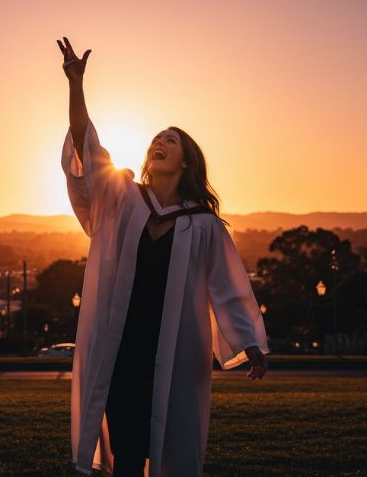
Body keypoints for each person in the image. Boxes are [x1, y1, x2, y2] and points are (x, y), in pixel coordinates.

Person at [58, 37, 269, 477]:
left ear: (187, 161)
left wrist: (250, 342)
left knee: (172, 445)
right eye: (156, 138)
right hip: (122, 347)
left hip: (175, 350)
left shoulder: (204, 225)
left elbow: (227, 287)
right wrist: (76, 85)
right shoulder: (124, 201)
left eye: (170, 140)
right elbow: (86, 148)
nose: (160, 142)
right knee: (129, 453)